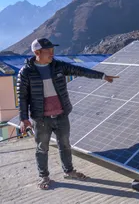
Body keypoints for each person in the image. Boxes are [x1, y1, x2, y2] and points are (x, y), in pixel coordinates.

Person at [17, 38, 119, 190]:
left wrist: (102, 76)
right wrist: (23, 118)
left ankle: (69, 171)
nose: (52, 53)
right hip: (41, 118)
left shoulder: (58, 66)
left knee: (65, 145)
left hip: (61, 115)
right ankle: (44, 176)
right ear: (37, 52)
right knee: (42, 148)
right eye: (48, 51)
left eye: (53, 50)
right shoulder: (26, 72)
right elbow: (22, 96)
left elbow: (80, 70)